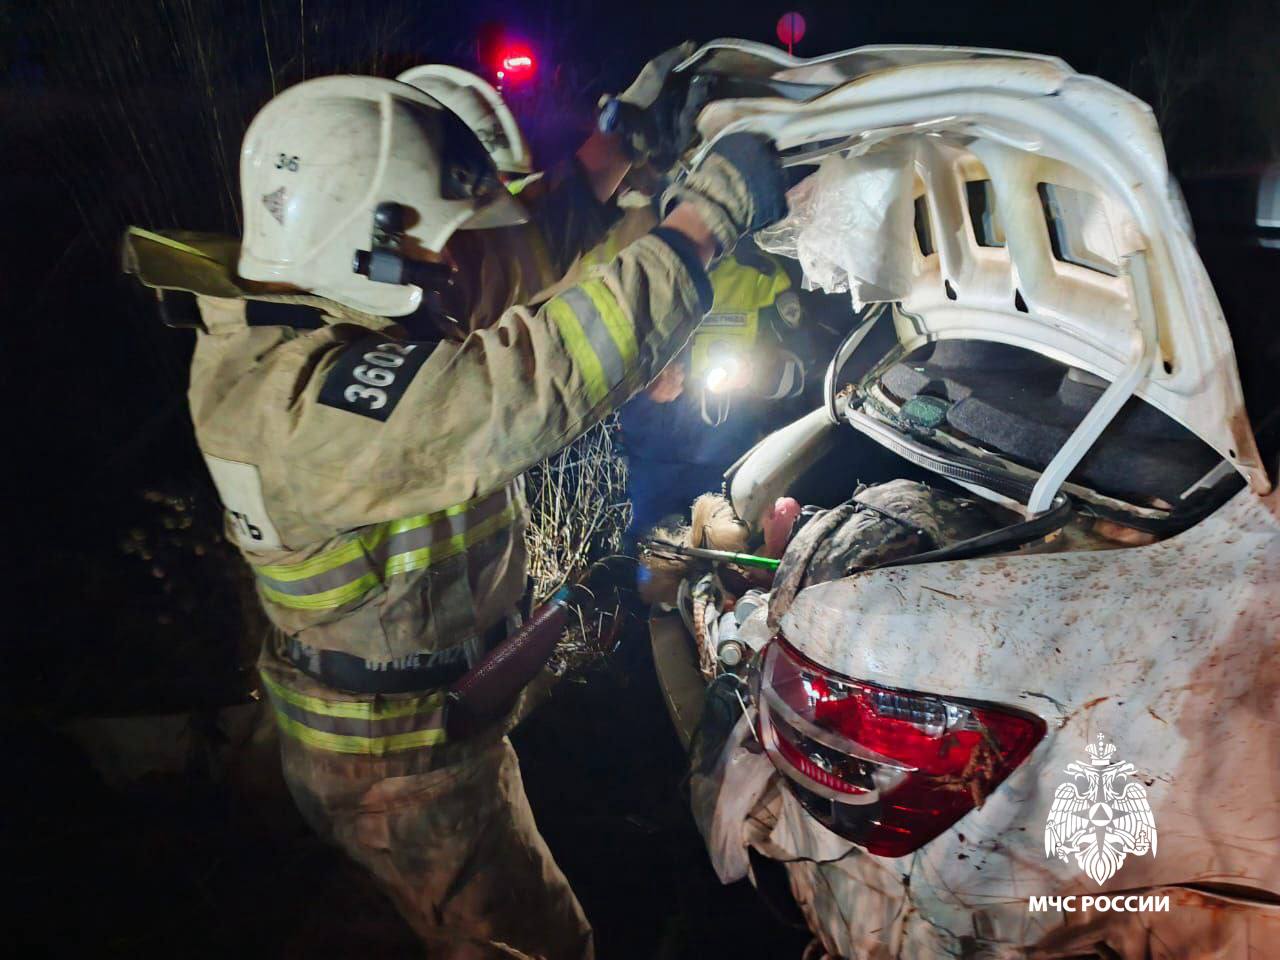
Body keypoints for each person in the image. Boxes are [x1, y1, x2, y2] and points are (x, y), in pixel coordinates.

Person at [122, 50, 787, 958]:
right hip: (401, 776)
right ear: (362, 235)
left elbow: (490, 265)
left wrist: (610, 155)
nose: (446, 268)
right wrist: (698, 229)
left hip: (419, 724)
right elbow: (523, 386)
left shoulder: (322, 297)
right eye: (427, 245)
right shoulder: (295, 412)